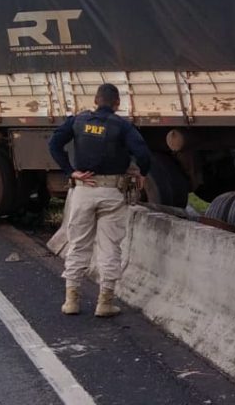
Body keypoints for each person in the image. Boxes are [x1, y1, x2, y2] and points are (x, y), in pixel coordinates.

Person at [48, 83, 151, 318]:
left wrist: (69, 170)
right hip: (112, 193)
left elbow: (54, 144)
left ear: (95, 100)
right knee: (110, 247)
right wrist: (142, 172)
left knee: (78, 244)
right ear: (117, 104)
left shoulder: (77, 121)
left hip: (83, 190)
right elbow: (143, 154)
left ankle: (71, 301)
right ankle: (105, 302)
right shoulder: (123, 126)